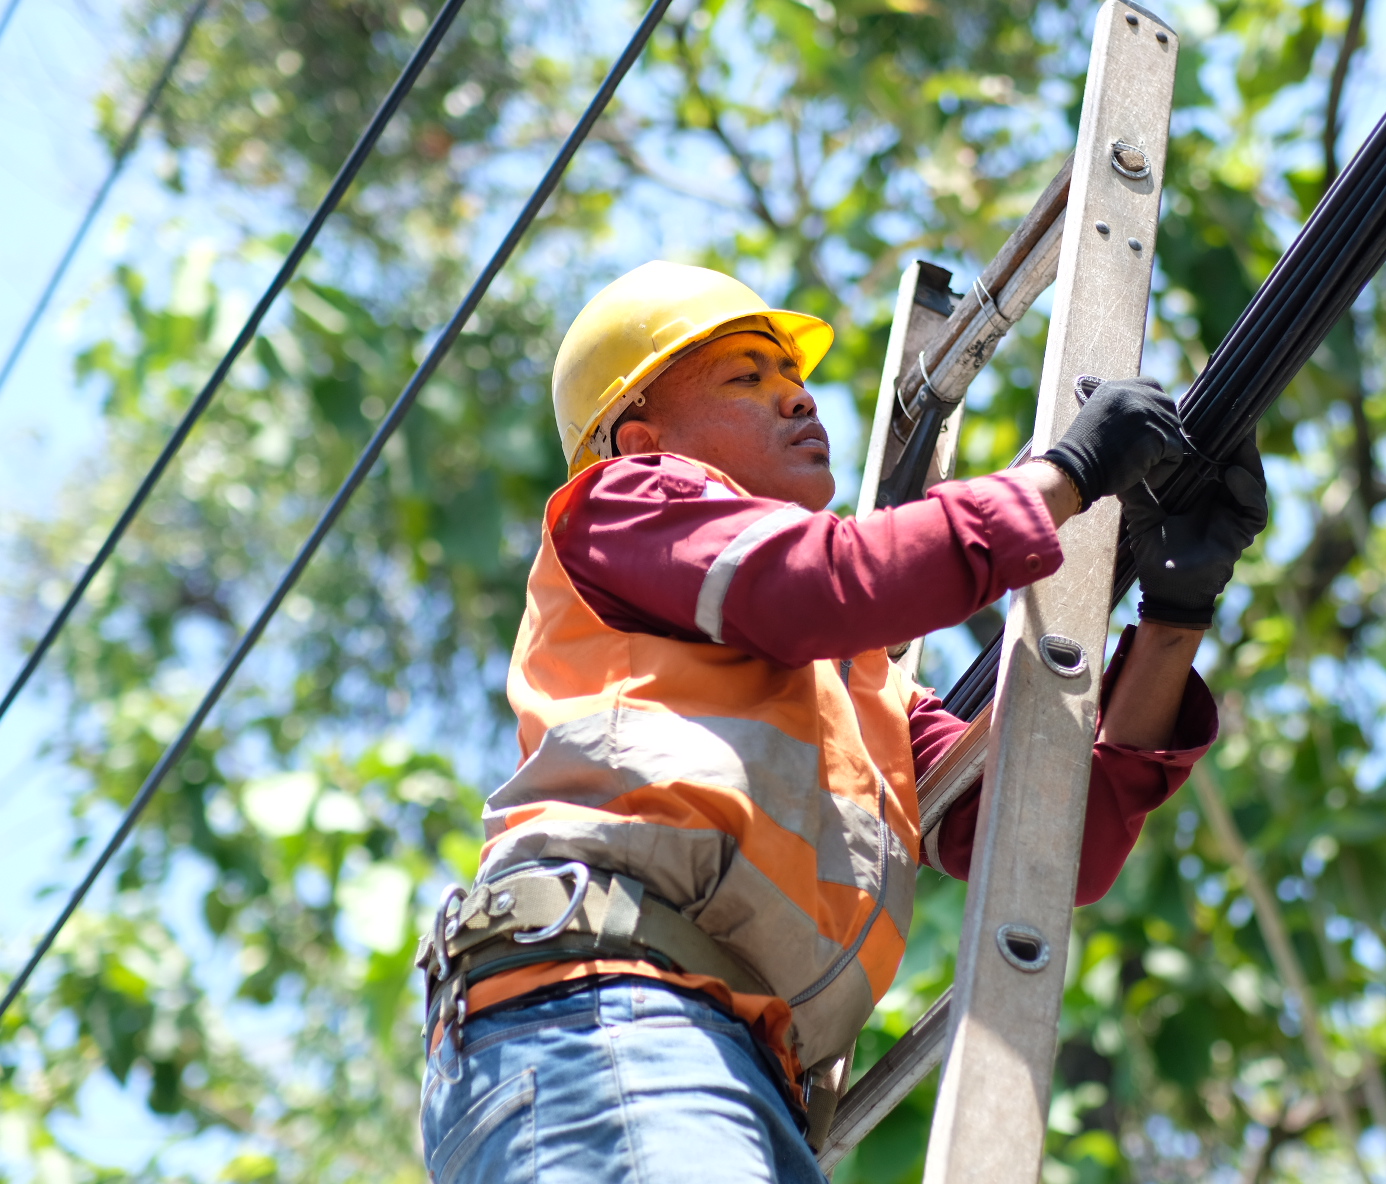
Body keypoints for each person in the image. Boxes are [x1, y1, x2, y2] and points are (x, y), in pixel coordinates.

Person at [417, 261, 1267, 1184]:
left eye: (795, 378)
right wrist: (1062, 477)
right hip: (606, 1015)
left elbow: (1056, 839)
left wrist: (1175, 617)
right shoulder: (623, 508)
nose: (796, 399)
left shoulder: (859, 686)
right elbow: (820, 583)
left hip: (723, 1062)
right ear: (638, 438)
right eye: (747, 378)